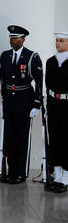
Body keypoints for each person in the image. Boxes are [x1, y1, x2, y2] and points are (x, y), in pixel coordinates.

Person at [0, 25, 43, 184]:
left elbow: (39, 81)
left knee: (22, 139)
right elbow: (3, 79)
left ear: (23, 39)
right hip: (10, 103)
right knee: (10, 139)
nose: (13, 40)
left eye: (16, 38)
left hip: (25, 103)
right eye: (11, 37)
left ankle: (21, 173)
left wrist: (36, 104)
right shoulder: (4, 56)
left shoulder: (32, 56)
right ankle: (11, 172)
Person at [45, 31, 68, 193]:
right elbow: (48, 84)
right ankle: (57, 176)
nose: (58, 43)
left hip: (67, 105)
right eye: (57, 40)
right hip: (54, 104)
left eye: (61, 41)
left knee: (66, 140)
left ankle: (66, 178)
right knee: (54, 139)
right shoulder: (51, 62)